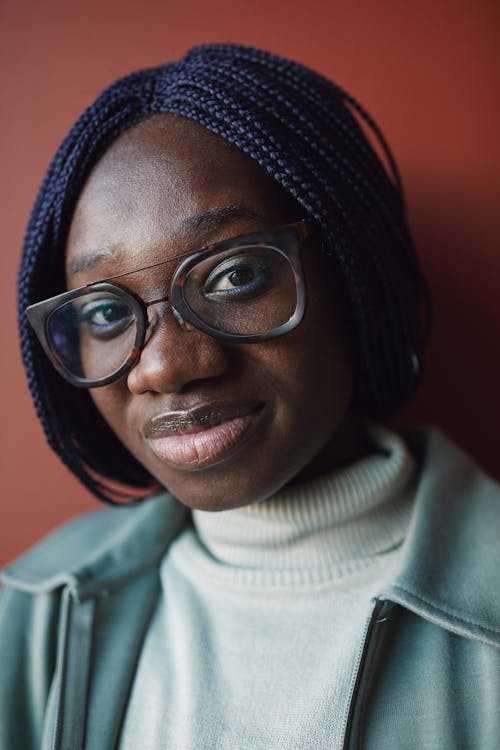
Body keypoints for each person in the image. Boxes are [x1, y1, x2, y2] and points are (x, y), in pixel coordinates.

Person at [1, 43, 499, 750]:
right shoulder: (27, 615)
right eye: (107, 313)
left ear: (355, 270)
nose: (164, 367)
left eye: (234, 276)